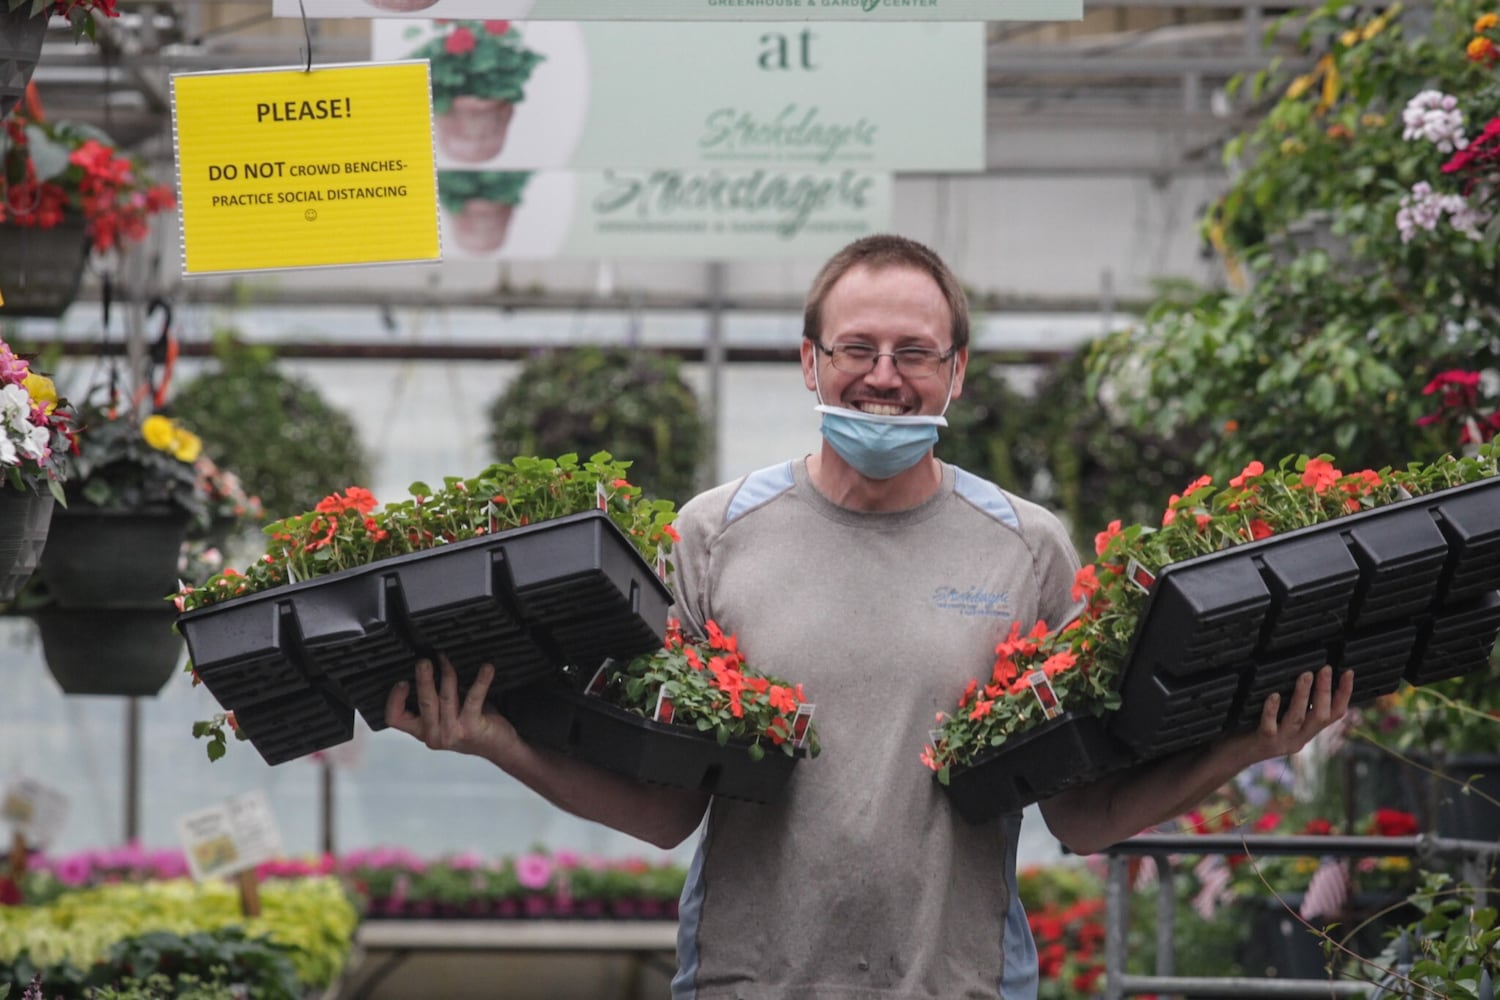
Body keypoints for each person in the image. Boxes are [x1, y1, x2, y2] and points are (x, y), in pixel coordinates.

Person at [384, 233, 1355, 999]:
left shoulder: (1026, 547)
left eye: (915, 351)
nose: (883, 374)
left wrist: (1245, 741)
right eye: (856, 347)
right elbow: (667, 806)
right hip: (746, 984)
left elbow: (1083, 813)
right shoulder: (715, 535)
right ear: (810, 362)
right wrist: (492, 740)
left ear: (957, 371)